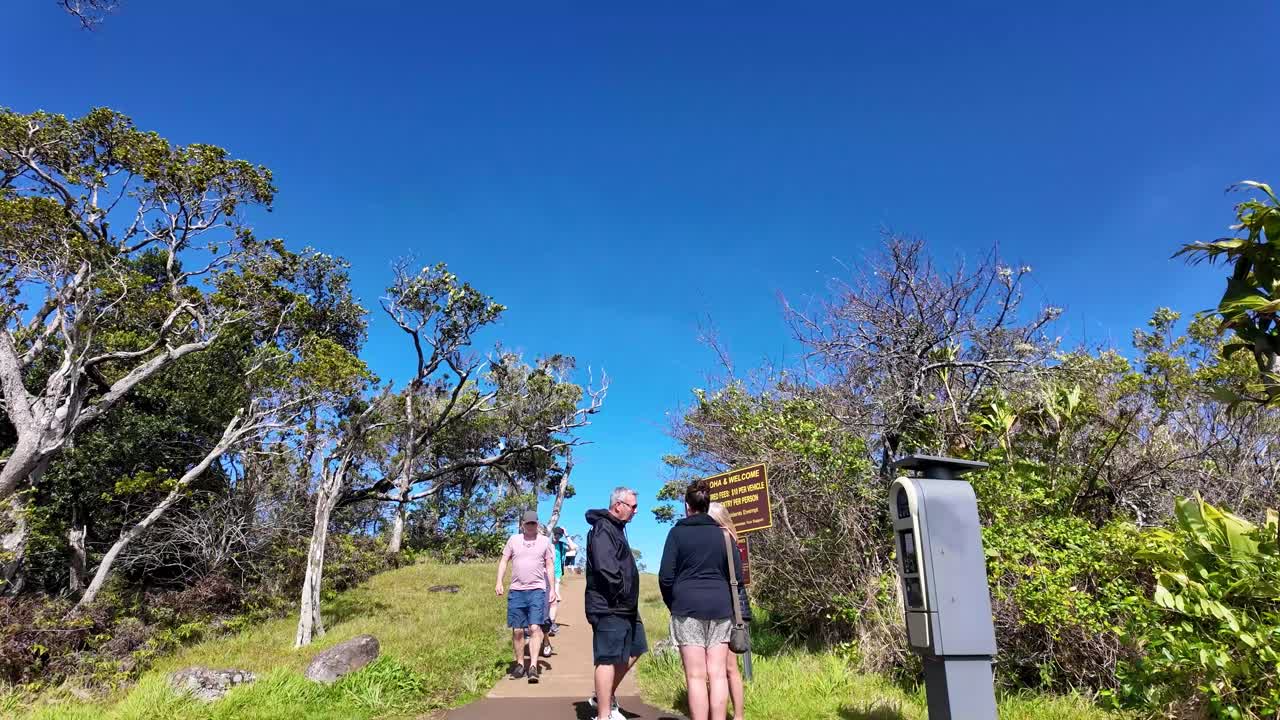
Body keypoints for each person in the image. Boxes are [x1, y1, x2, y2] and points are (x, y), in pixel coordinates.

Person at [658, 481, 744, 720]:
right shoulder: (725, 536)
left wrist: (672, 604)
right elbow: (736, 577)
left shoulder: (676, 533)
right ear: (707, 505)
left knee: (695, 675)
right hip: (721, 608)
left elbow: (665, 576)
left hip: (687, 608)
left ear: (687, 506)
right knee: (717, 674)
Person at [585, 487, 645, 720]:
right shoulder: (603, 528)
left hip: (626, 606)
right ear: (618, 505)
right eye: (633, 506)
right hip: (609, 606)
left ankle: (603, 695)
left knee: (637, 647)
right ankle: (603, 715)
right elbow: (605, 568)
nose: (636, 511)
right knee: (608, 658)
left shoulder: (617, 529)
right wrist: (621, 594)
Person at [495, 510, 558, 683]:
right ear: (522, 524)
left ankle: (533, 667)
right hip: (517, 591)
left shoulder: (545, 542)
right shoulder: (513, 540)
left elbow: (550, 565)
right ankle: (520, 664)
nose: (531, 526)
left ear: (537, 524)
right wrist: (499, 582)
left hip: (537, 590)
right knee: (517, 631)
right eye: (528, 523)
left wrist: (552, 589)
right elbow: (503, 561)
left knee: (535, 628)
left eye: (534, 523)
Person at [708, 502, 751, 720]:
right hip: (731, 606)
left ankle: (738, 715)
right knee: (726, 668)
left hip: (731, 609)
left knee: (729, 667)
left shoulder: (724, 539)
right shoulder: (728, 539)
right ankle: (735, 715)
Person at [549, 526, 578, 636]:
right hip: (545, 575)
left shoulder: (561, 545)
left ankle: (551, 623)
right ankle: (546, 622)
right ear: (553, 533)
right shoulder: (547, 544)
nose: (557, 537)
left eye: (559, 535)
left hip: (556, 575)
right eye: (556, 534)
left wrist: (566, 535)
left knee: (554, 600)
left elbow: (573, 548)